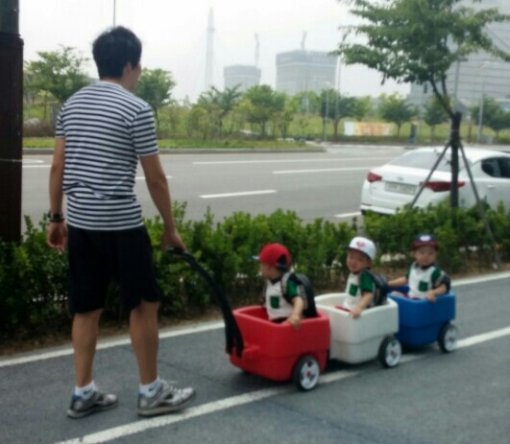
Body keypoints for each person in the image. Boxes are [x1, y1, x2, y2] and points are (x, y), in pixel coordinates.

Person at [47, 26, 195, 419]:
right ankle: (151, 391)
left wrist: (56, 217)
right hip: (121, 224)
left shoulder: (70, 106)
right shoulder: (136, 108)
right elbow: (155, 177)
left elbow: (57, 166)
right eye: (139, 67)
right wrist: (170, 228)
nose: (140, 74)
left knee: (86, 307)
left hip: (81, 223)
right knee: (144, 303)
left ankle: (82, 392)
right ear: (129, 65)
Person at [255, 243, 304, 329]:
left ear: (269, 267)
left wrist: (295, 315)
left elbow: (298, 300)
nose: (259, 269)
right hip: (274, 325)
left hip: (288, 326)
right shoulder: (269, 283)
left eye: (261, 265)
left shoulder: (286, 283)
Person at [388, 234, 449, 302]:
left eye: (430, 253)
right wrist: (389, 283)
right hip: (410, 297)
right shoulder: (414, 266)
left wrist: (434, 292)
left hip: (424, 302)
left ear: (436, 255)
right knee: (393, 294)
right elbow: (406, 279)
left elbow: (444, 288)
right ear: (414, 254)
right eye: (422, 252)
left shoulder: (435, 272)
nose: (426, 256)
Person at [342, 236, 378, 318]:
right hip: (348, 309)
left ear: (369, 263)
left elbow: (368, 294)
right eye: (351, 257)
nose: (353, 262)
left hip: (358, 314)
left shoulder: (364, 276)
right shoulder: (354, 273)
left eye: (360, 259)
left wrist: (359, 307)